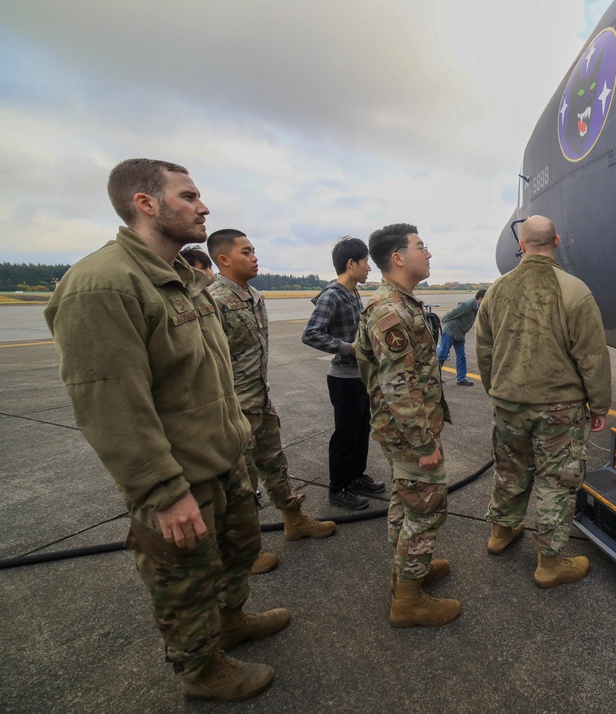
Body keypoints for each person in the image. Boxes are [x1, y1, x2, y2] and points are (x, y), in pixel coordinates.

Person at [44, 159, 289, 702]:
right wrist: (162, 492)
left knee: (237, 553)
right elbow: (111, 405)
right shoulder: (104, 285)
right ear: (145, 203)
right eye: (189, 196)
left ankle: (231, 623)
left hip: (223, 459)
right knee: (186, 582)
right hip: (179, 478)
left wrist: (239, 447)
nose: (204, 207)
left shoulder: (183, 279)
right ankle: (201, 672)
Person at [476, 214, 612, 589]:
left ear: (521, 246)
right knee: (557, 481)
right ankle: (549, 563)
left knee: (510, 469)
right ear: (557, 242)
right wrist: (599, 406)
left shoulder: (496, 290)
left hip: (508, 403)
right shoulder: (574, 290)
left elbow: (484, 350)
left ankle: (500, 533)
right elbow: (592, 355)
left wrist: (497, 390)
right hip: (559, 408)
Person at [207, 229, 337, 573]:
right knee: (242, 479)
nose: (254, 256)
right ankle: (244, 550)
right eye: (246, 251)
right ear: (223, 260)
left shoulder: (255, 296)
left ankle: (294, 520)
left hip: (260, 400)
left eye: (253, 250)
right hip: (233, 408)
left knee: (274, 462)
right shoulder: (211, 301)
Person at [356, 223, 460, 628]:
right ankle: (409, 601)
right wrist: (423, 444)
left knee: (406, 501)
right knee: (427, 506)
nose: (428, 252)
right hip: (408, 432)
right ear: (398, 257)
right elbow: (398, 385)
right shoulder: (390, 311)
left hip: (402, 429)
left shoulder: (402, 302)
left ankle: (406, 573)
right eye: (421, 246)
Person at [302, 236, 386, 510]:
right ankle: (338, 488)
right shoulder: (333, 295)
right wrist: (347, 348)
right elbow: (311, 333)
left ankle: (356, 476)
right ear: (351, 264)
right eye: (365, 262)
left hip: (359, 377)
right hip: (343, 379)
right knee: (346, 435)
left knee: (361, 431)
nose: (369, 268)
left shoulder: (353, 292)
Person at [437, 289, 486, 386]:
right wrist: (443, 321)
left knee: (461, 356)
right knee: (442, 354)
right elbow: (451, 313)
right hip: (451, 331)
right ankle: (434, 378)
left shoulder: (477, 307)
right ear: (480, 298)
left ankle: (461, 378)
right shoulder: (467, 305)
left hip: (460, 333)